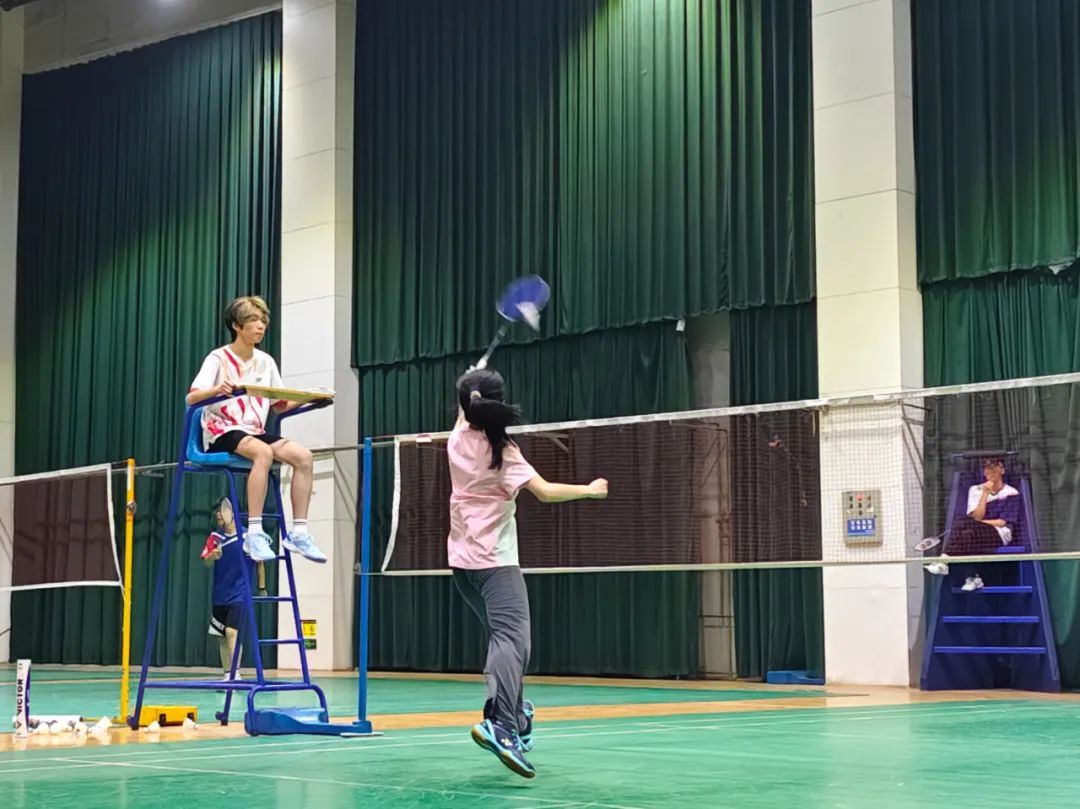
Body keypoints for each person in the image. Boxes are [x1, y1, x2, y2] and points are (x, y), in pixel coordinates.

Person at [448, 368, 608, 779]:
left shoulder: (457, 438)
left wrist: (468, 384)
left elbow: (464, 408)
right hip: (495, 563)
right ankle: (501, 725)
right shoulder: (504, 452)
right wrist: (590, 490)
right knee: (513, 641)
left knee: (502, 639)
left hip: (461, 565)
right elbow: (546, 492)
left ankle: (516, 716)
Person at [186, 295, 326, 564]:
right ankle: (254, 532)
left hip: (254, 431)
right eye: (253, 320)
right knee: (264, 453)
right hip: (222, 430)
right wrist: (217, 390)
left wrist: (310, 397)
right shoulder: (218, 359)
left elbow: (280, 405)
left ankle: (299, 533)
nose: (260, 326)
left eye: (263, 320)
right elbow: (192, 398)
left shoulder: (266, 361)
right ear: (236, 326)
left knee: (303, 457)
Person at [926, 457, 1021, 591]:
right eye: (987, 470)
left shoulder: (1012, 492)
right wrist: (985, 494)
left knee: (964, 523)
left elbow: (1001, 522)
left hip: (1000, 535)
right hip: (976, 532)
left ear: (1002, 470)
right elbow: (977, 516)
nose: (991, 472)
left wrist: (975, 523)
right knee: (967, 534)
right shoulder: (975, 490)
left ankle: (944, 560)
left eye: (994, 468)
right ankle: (974, 578)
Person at [201, 496, 255, 680]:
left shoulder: (247, 536)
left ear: (233, 513)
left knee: (232, 633)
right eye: (217, 510)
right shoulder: (215, 538)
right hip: (219, 595)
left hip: (239, 593)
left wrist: (262, 586)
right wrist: (212, 557)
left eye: (222, 509)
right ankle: (227, 674)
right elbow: (206, 562)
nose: (218, 514)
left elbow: (260, 561)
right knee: (222, 636)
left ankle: (235, 673)